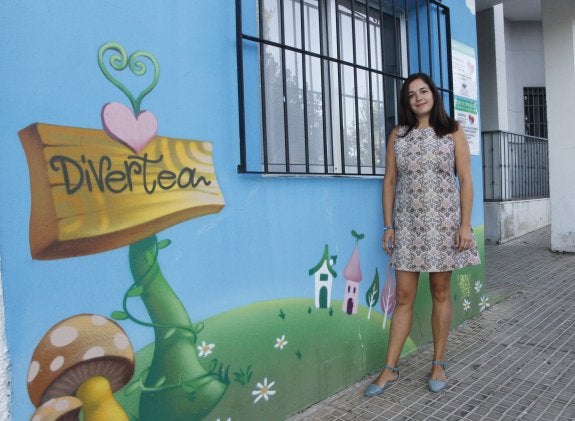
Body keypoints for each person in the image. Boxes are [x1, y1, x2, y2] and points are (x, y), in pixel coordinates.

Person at [364, 73, 481, 397]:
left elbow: (466, 180)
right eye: (412, 94)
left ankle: (438, 362)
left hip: (444, 223)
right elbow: (389, 181)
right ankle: (390, 368)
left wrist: (465, 226)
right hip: (409, 224)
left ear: (433, 95)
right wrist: (389, 226)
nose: (419, 97)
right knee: (404, 296)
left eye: (424, 91)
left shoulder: (452, 131)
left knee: (441, 290)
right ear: (407, 102)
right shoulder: (398, 136)